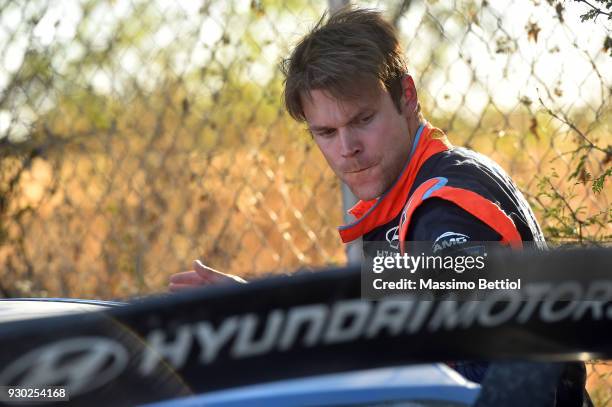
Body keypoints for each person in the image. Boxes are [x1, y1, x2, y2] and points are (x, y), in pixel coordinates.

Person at [169, 7, 590, 406]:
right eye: (326, 132)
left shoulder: (443, 208)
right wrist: (265, 309)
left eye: (362, 120)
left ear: (407, 97)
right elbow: (384, 306)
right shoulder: (410, 196)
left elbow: (482, 378)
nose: (347, 148)